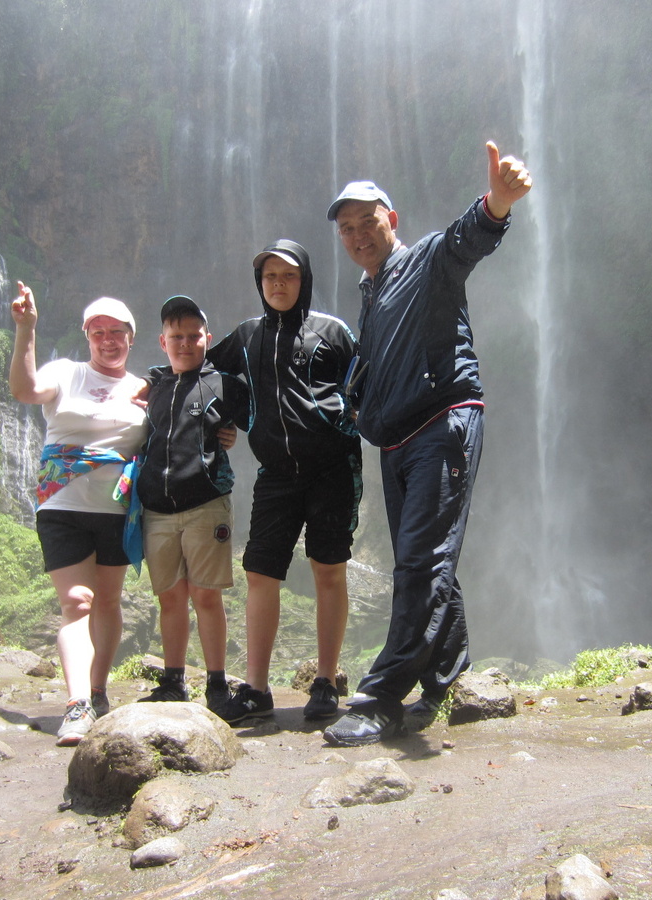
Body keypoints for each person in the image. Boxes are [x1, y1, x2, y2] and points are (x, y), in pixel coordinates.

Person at [321, 141, 533, 747]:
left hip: (442, 424)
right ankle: (448, 677)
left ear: (393, 221)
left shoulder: (427, 261)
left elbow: (470, 237)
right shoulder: (371, 292)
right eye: (347, 229)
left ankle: (382, 695)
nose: (359, 234)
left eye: (368, 222)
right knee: (426, 556)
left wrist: (498, 201)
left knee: (422, 559)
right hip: (396, 442)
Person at [208, 240, 362, 725]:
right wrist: (223, 417)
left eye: (289, 276)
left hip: (332, 470)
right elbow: (207, 373)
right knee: (261, 573)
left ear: (305, 280)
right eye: (270, 276)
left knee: (329, 568)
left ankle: (326, 680)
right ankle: (256, 688)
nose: (279, 284)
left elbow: (367, 379)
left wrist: (344, 416)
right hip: (276, 476)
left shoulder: (332, 331)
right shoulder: (248, 334)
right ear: (260, 284)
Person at [9, 282, 148, 746]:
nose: (107, 340)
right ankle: (77, 703)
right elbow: (25, 390)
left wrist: (223, 433)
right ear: (87, 337)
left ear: (131, 336)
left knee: (108, 603)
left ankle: (98, 689)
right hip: (63, 506)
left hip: (117, 512)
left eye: (116, 332)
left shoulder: (143, 388)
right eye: (97, 332)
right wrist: (26, 329)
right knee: (78, 603)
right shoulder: (65, 374)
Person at [133, 296, 250, 716]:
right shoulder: (154, 386)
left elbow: (258, 414)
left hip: (206, 505)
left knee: (205, 596)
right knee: (170, 598)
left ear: (208, 339)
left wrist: (234, 429)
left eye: (193, 336)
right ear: (162, 341)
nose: (184, 343)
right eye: (176, 336)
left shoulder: (223, 384)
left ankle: (217, 687)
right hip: (157, 510)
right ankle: (173, 681)